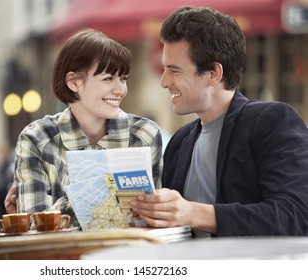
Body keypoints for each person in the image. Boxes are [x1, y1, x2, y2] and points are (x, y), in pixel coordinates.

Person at [130, 6, 308, 237]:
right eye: (164, 69)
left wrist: (193, 213)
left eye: (174, 70)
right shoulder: (179, 142)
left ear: (214, 73)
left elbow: (296, 215)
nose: (164, 82)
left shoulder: (271, 121)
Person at [5, 29, 163, 227]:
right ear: (73, 82)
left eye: (123, 78)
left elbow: (153, 220)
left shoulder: (144, 134)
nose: (121, 89)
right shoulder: (37, 138)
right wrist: (108, 191)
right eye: (108, 78)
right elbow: (35, 228)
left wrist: (62, 207)